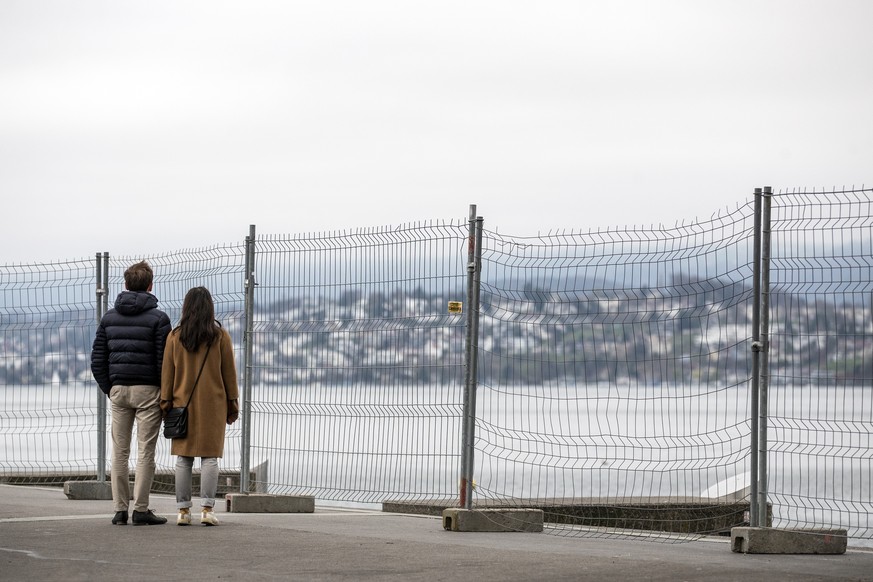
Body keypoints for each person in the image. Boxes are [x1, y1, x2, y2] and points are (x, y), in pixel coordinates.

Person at [91, 260, 171, 526]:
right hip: (149, 390)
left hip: (119, 391)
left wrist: (110, 388)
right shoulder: (159, 318)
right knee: (145, 451)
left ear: (125, 285)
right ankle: (141, 510)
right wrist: (163, 391)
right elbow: (165, 361)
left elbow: (97, 359)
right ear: (150, 285)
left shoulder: (109, 317)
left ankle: (119, 509)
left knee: (119, 451)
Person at [161, 286, 239, 526]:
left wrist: (165, 401)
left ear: (186, 308)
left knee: (183, 459)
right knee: (210, 458)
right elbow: (229, 374)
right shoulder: (220, 336)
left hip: (181, 405)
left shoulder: (175, 336)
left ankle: (183, 512)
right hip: (213, 406)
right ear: (209, 308)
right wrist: (232, 403)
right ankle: (207, 509)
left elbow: (168, 373)